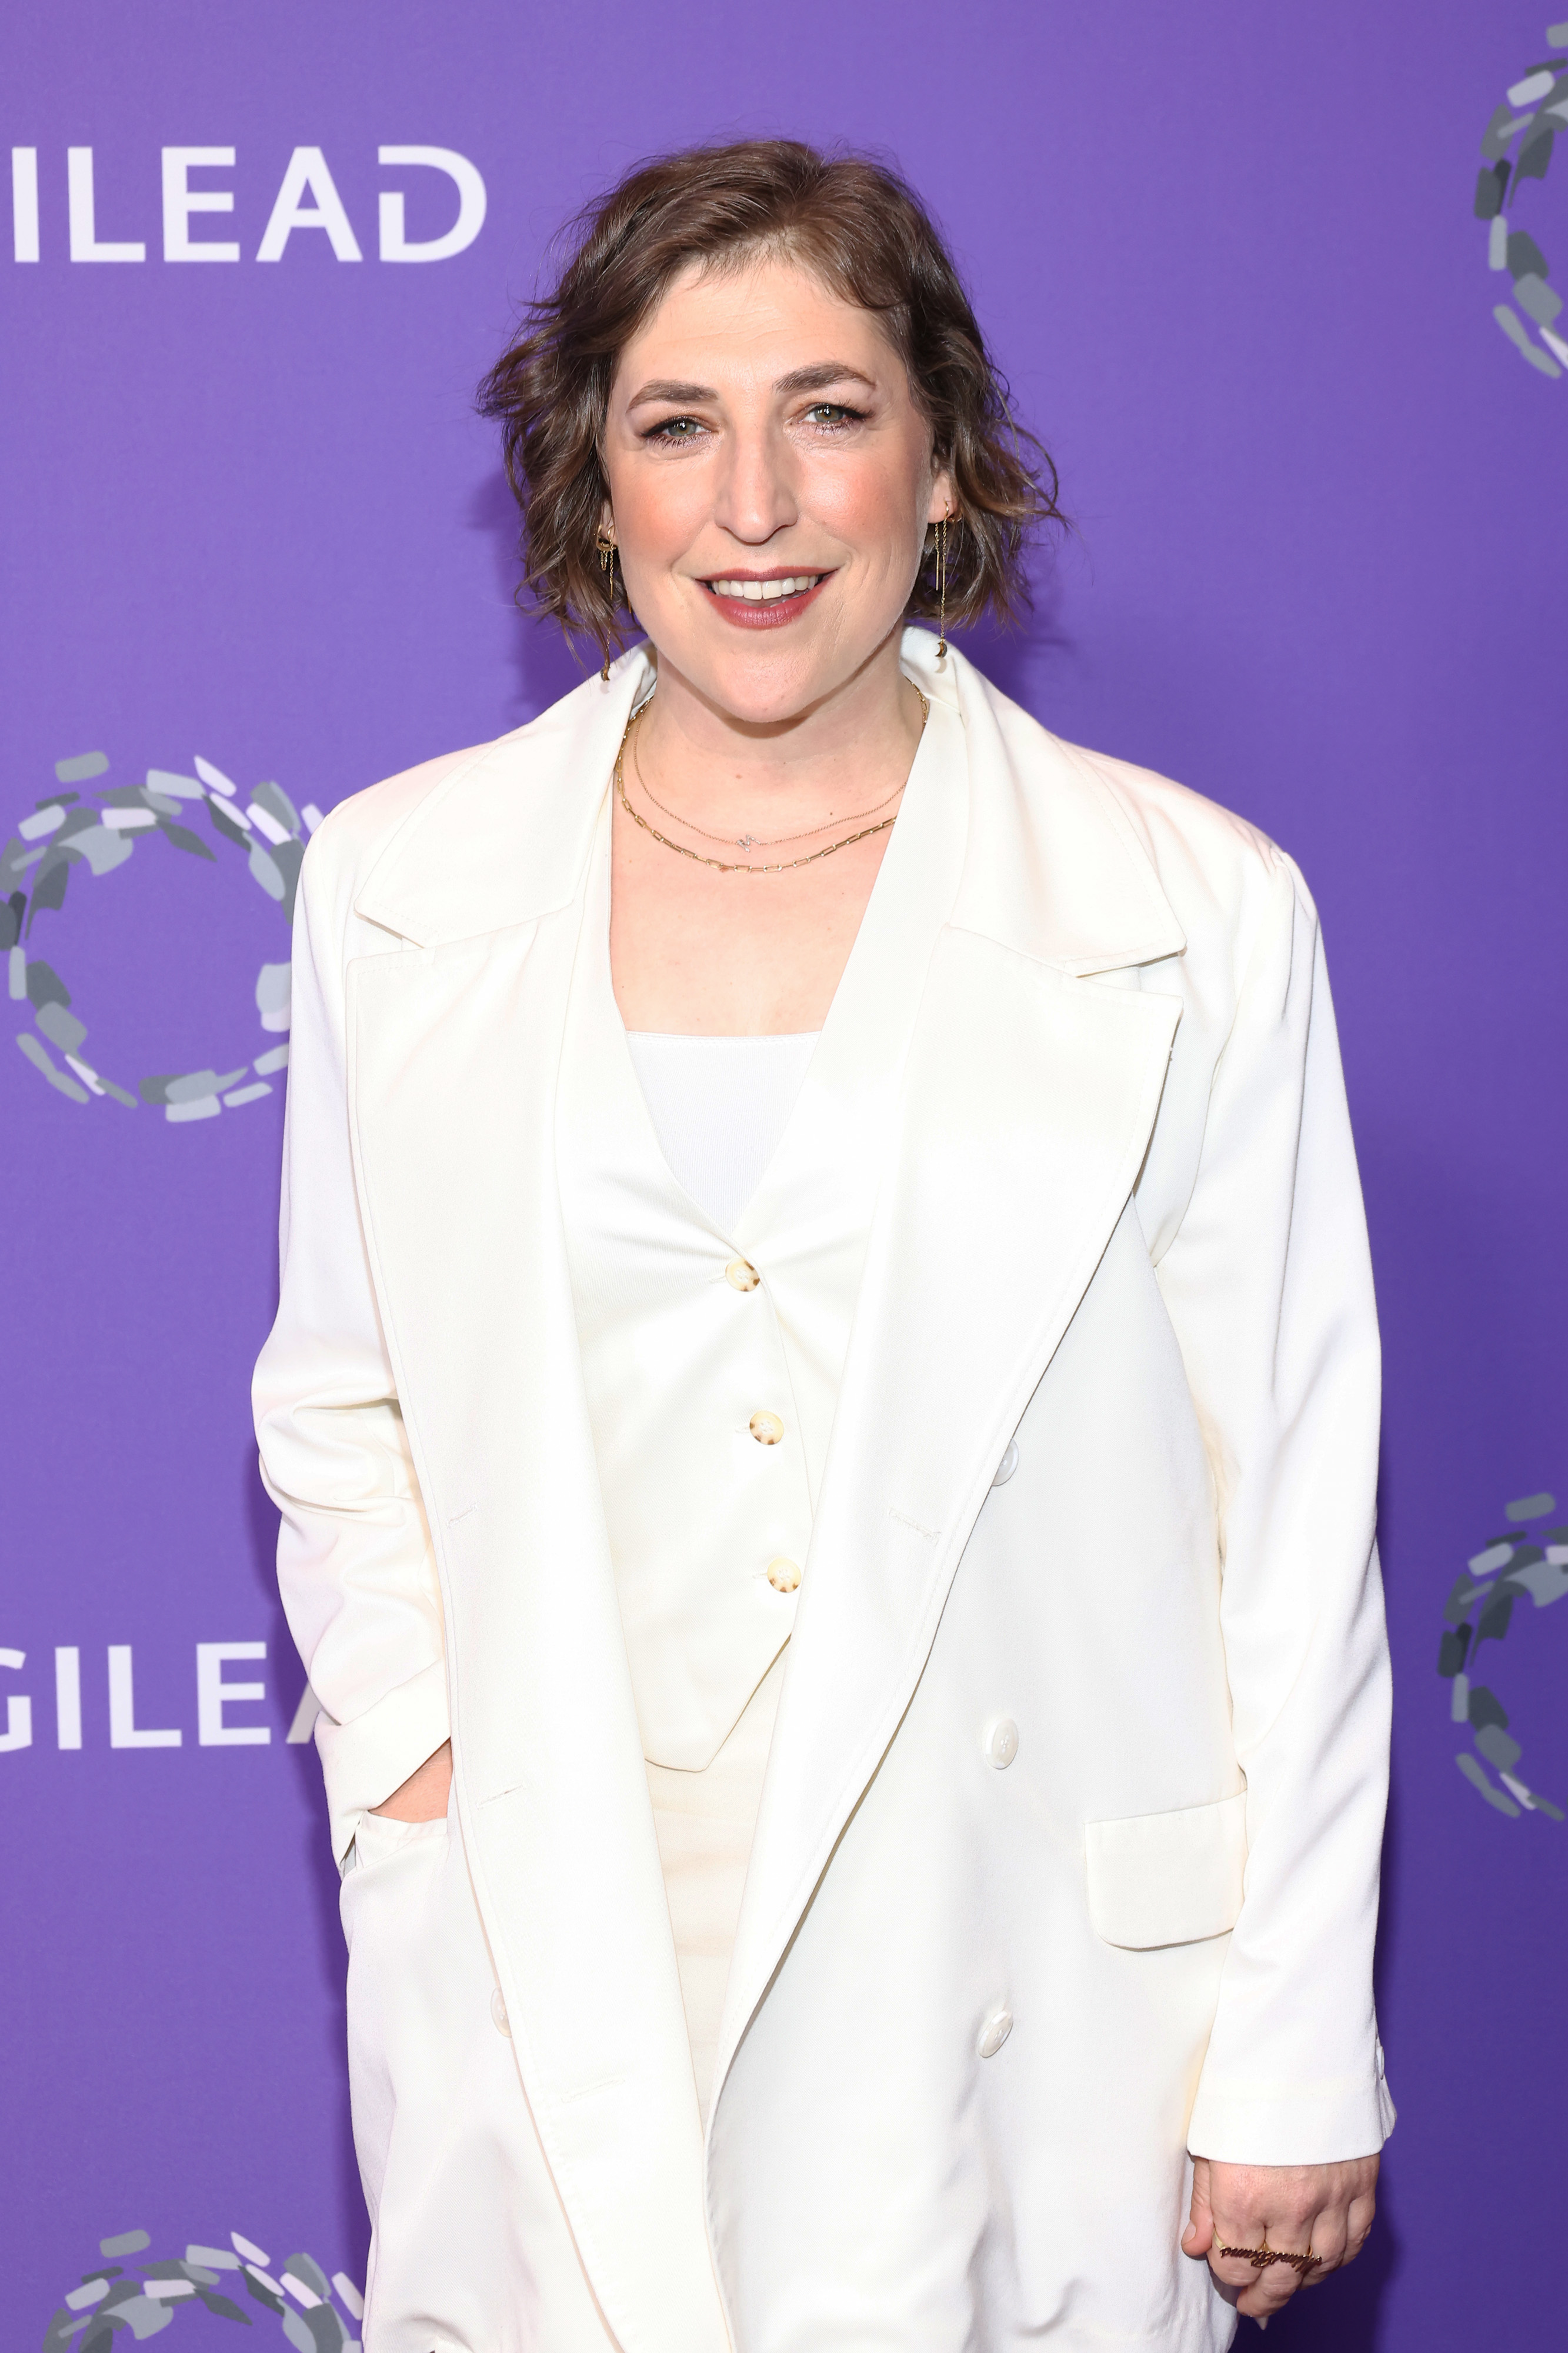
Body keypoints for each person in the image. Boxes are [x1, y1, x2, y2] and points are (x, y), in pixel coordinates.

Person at [253, 139, 1394, 2353]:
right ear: (590, 491)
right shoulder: (401, 885)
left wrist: (1287, 2044)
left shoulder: (1186, 908)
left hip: (1004, 1938)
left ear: (944, 466)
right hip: (562, 1907)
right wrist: (416, 1754)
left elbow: (1291, 1506)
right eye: (678, 425)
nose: (753, 504)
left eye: (830, 413)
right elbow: (341, 1390)